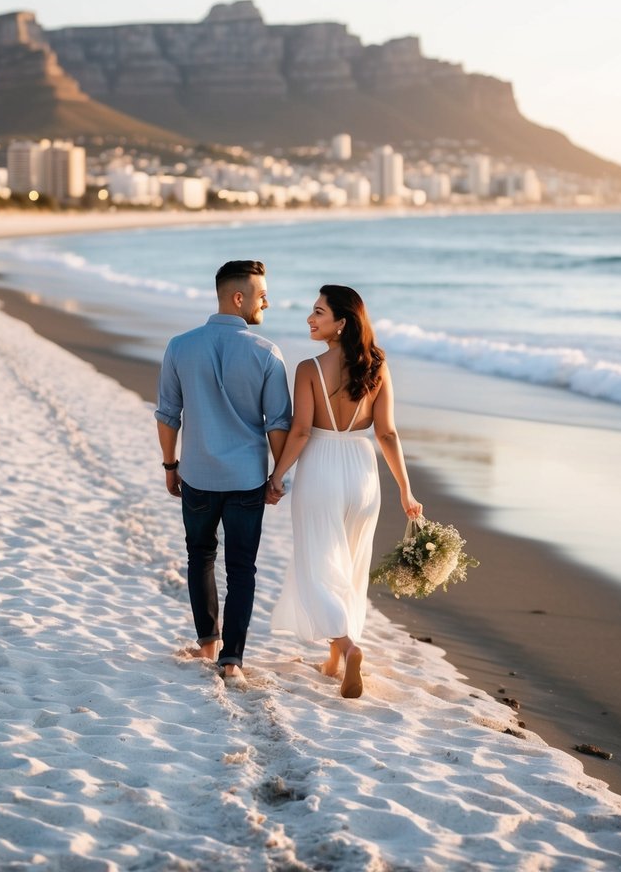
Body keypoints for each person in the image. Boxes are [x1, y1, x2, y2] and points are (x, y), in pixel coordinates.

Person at [267, 284, 421, 699]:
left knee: (319, 566)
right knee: (351, 566)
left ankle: (350, 647)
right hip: (362, 470)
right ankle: (336, 657)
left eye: (318, 312)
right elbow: (387, 432)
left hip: (320, 467)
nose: (310, 319)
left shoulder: (308, 369)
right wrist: (405, 490)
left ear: (341, 323)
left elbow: (300, 431)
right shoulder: (379, 365)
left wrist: (277, 475)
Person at [155, 260, 292, 681]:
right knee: (241, 568)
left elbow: (167, 415)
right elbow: (278, 423)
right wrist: (276, 477)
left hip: (196, 473)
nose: (266, 300)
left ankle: (207, 644)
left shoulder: (180, 346)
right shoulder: (267, 353)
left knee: (200, 557)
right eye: (261, 293)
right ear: (239, 297)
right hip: (247, 478)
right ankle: (231, 659)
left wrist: (170, 465)